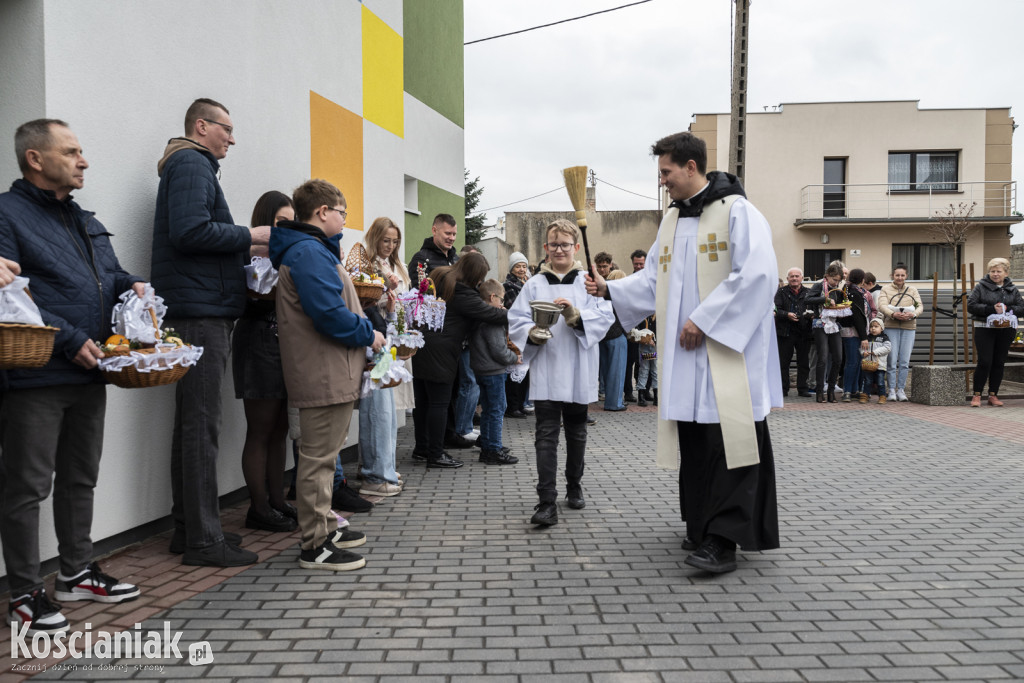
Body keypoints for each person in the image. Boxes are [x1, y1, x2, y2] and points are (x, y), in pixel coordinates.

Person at [585, 131, 782, 573]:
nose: (663, 183)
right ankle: (701, 523)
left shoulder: (738, 212)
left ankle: (725, 539)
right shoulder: (673, 221)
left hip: (724, 353)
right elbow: (653, 280)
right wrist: (610, 289)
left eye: (666, 173)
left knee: (729, 439)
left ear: (691, 167)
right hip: (687, 357)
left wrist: (705, 319)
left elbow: (757, 276)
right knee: (696, 438)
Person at [0, 119, 145, 633]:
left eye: (82, 151)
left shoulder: (83, 218)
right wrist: (65, 336)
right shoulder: (6, 213)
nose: (83, 160)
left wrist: (136, 286)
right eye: (72, 151)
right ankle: (22, 592)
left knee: (81, 477)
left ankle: (76, 571)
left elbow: (108, 277)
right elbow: (11, 294)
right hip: (37, 374)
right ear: (35, 159)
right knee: (27, 486)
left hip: (92, 370)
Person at [152, 98, 270, 567]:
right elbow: (190, 232)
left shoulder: (188, 166)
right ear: (201, 127)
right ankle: (202, 540)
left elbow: (192, 232)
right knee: (201, 425)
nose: (232, 138)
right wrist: (250, 235)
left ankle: (190, 530)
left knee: (193, 424)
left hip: (196, 308)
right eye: (227, 128)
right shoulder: (192, 164)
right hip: (199, 312)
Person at [270, 179, 383, 570]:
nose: (345, 219)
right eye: (342, 212)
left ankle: (324, 528)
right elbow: (330, 317)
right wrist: (370, 333)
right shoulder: (308, 253)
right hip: (321, 372)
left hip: (329, 369)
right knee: (317, 461)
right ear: (322, 212)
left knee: (323, 456)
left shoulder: (313, 250)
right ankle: (314, 544)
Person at [508, 219, 614, 527]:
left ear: (576, 248)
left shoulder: (588, 282)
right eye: (553, 245)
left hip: (579, 366)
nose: (559, 250)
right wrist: (530, 333)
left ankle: (574, 484)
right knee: (545, 436)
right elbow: (515, 319)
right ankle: (546, 501)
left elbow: (605, 316)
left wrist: (575, 315)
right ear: (545, 248)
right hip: (548, 367)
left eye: (565, 245)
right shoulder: (534, 284)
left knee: (577, 433)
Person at [233, 191, 297, 533]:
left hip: (283, 342)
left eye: (291, 222)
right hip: (258, 340)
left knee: (280, 429)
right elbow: (249, 298)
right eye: (280, 222)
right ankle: (257, 508)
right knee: (260, 429)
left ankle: (277, 501)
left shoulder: (289, 254)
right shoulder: (250, 252)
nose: (286, 228)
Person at [411, 252, 507, 469]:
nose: (481, 280)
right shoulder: (463, 292)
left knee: (424, 402)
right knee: (439, 403)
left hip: (422, 343)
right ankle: (435, 454)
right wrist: (516, 314)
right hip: (442, 351)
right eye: (480, 276)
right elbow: (491, 314)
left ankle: (423, 448)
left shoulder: (440, 274)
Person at [357, 217, 408, 496]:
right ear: (375, 237)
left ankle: (384, 467)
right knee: (377, 408)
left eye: (394, 241)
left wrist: (391, 309)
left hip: (386, 338)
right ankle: (375, 473)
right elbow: (361, 303)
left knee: (386, 408)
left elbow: (390, 309)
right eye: (385, 240)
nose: (390, 246)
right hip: (372, 342)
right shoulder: (364, 264)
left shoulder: (390, 264)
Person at [470, 279, 521, 465]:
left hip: (481, 368)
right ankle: (493, 449)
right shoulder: (492, 318)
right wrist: (514, 358)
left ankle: (487, 442)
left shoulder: (478, 314)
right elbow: (499, 350)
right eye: (501, 299)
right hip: (492, 370)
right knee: (497, 409)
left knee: (489, 409)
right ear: (492, 297)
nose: (502, 303)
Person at [966, 257, 1024, 407]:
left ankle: (993, 395)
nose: (995, 274)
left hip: (1006, 330)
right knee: (985, 361)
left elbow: (1021, 308)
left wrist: (1007, 310)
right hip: (984, 329)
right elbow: (971, 306)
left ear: (1005, 273)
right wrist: (992, 309)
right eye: (992, 271)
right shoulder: (980, 287)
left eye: (998, 271)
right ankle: (977, 395)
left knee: (999, 362)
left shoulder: (1012, 289)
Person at [877, 263, 922, 402]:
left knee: (904, 361)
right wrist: (893, 314)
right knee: (891, 360)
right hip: (891, 326)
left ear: (906, 276)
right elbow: (882, 305)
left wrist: (912, 314)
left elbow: (919, 306)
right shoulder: (885, 289)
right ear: (892, 275)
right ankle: (891, 389)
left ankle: (901, 389)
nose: (900, 277)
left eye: (902, 275)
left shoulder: (912, 290)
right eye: (897, 275)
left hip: (909, 327)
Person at [805, 263, 845, 403]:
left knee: (838, 358)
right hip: (820, 323)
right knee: (822, 357)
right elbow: (807, 299)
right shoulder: (819, 285)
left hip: (833, 324)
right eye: (834, 280)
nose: (836, 283)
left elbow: (839, 302)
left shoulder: (837, 289)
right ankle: (820, 391)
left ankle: (831, 390)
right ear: (827, 276)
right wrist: (825, 299)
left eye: (838, 281)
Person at [774, 267, 813, 397]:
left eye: (797, 276)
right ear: (787, 279)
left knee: (803, 362)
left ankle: (802, 388)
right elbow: (775, 310)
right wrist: (787, 315)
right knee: (783, 363)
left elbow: (814, 309)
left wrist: (811, 315)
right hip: (785, 331)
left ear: (802, 278)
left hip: (804, 332)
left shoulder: (809, 292)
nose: (794, 278)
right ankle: (783, 389)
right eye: (792, 276)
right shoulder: (780, 292)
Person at [503, 252, 531, 418]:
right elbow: (513, 307)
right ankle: (512, 406)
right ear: (512, 268)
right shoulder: (508, 286)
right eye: (518, 266)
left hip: (527, 331)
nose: (521, 269)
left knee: (524, 370)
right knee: (515, 367)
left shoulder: (527, 283)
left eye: (524, 266)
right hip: (514, 331)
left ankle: (520, 404)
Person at [838, 269, 871, 402]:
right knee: (852, 362)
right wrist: (864, 337)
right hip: (853, 332)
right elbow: (857, 316)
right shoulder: (855, 293)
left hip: (849, 331)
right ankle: (847, 391)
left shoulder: (846, 290)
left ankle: (854, 389)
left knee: (856, 361)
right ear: (862, 279)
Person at [599, 269, 629, 411]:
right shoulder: (620, 293)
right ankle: (615, 403)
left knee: (606, 371)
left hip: (603, 336)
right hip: (617, 335)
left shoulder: (603, 292)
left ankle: (608, 399)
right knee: (617, 371)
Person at [408, 213, 458, 289]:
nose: (452, 238)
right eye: (448, 233)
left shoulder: (457, 259)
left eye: (454, 234)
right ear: (434, 230)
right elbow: (420, 294)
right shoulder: (421, 259)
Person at [623, 249, 648, 401]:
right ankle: (628, 391)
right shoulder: (629, 281)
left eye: (641, 264)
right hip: (633, 328)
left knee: (646, 359)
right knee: (630, 362)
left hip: (648, 329)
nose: (638, 266)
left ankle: (644, 391)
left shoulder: (652, 279)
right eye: (636, 264)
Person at [860, 318, 891, 404]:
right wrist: (863, 353)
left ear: (882, 328)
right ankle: (865, 395)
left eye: (876, 326)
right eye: (871, 327)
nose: (873, 328)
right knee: (867, 381)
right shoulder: (867, 338)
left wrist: (875, 352)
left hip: (880, 365)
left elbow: (887, 348)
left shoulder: (885, 338)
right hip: (868, 364)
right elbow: (861, 348)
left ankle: (882, 396)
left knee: (880, 382)